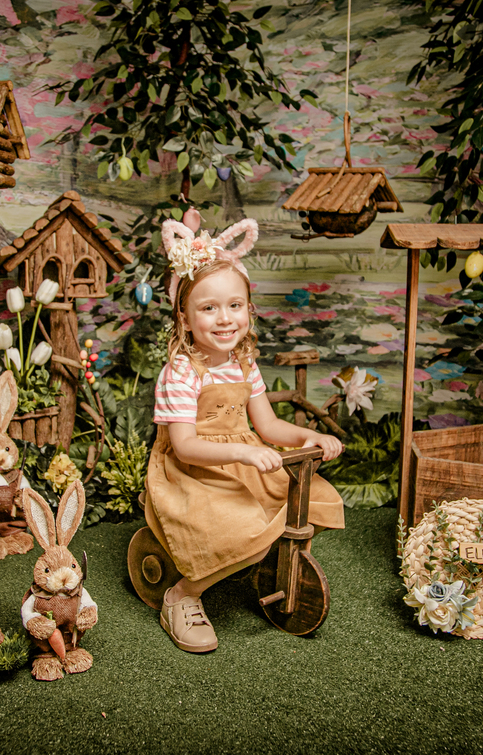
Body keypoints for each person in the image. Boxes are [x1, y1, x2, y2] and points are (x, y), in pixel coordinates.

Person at [144, 215, 346, 653]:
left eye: (235, 305)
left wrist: (306, 437)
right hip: (192, 469)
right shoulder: (182, 370)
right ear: (184, 316)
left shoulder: (244, 362)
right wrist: (243, 453)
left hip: (242, 457)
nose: (224, 319)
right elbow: (184, 445)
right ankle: (184, 594)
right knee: (246, 529)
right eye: (208, 307)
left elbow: (267, 425)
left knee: (309, 502)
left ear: (249, 310)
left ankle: (260, 564)